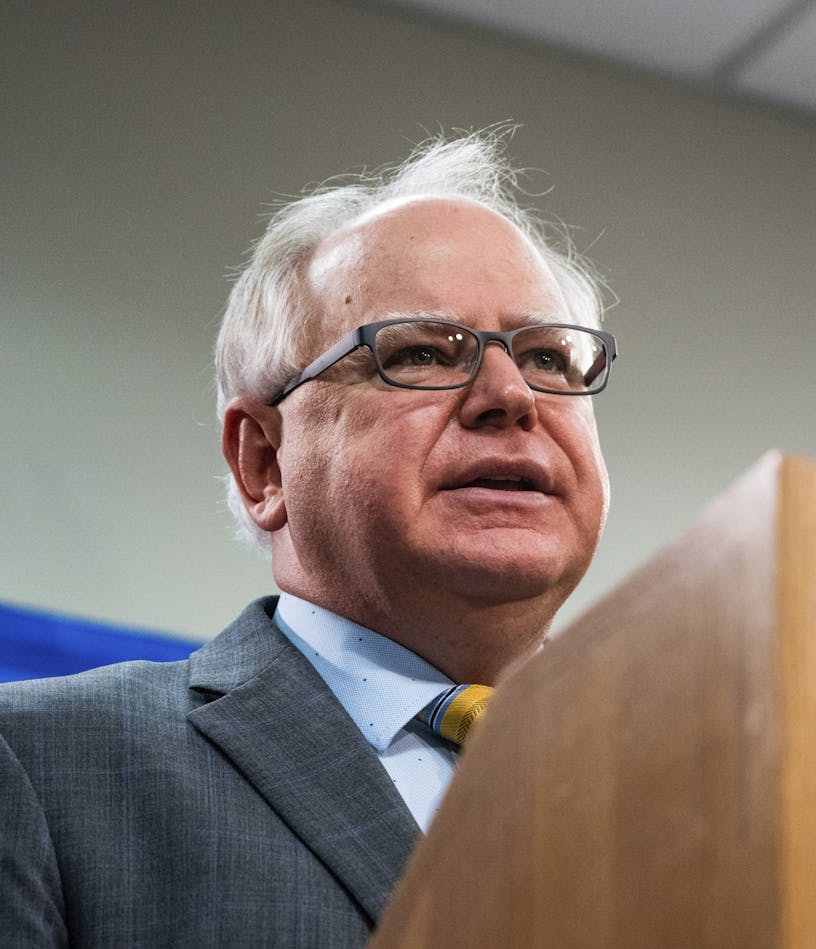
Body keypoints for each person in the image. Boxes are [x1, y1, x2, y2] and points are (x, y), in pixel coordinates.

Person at [0, 130, 617, 946]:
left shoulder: (719, 799)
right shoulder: (42, 769)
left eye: (547, 356)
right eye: (425, 352)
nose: (510, 395)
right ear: (264, 462)